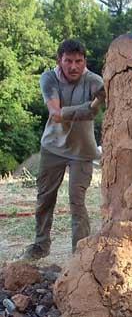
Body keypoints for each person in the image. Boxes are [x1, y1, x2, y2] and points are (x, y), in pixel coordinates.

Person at [23, 38, 105, 260]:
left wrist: (100, 99)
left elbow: (106, 93)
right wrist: (88, 109)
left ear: (84, 61)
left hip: (83, 151)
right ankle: (40, 246)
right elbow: (56, 114)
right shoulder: (49, 79)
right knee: (45, 198)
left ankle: (80, 255)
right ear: (59, 60)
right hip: (52, 148)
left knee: (77, 202)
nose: (73, 66)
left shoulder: (93, 80)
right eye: (68, 61)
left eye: (78, 61)